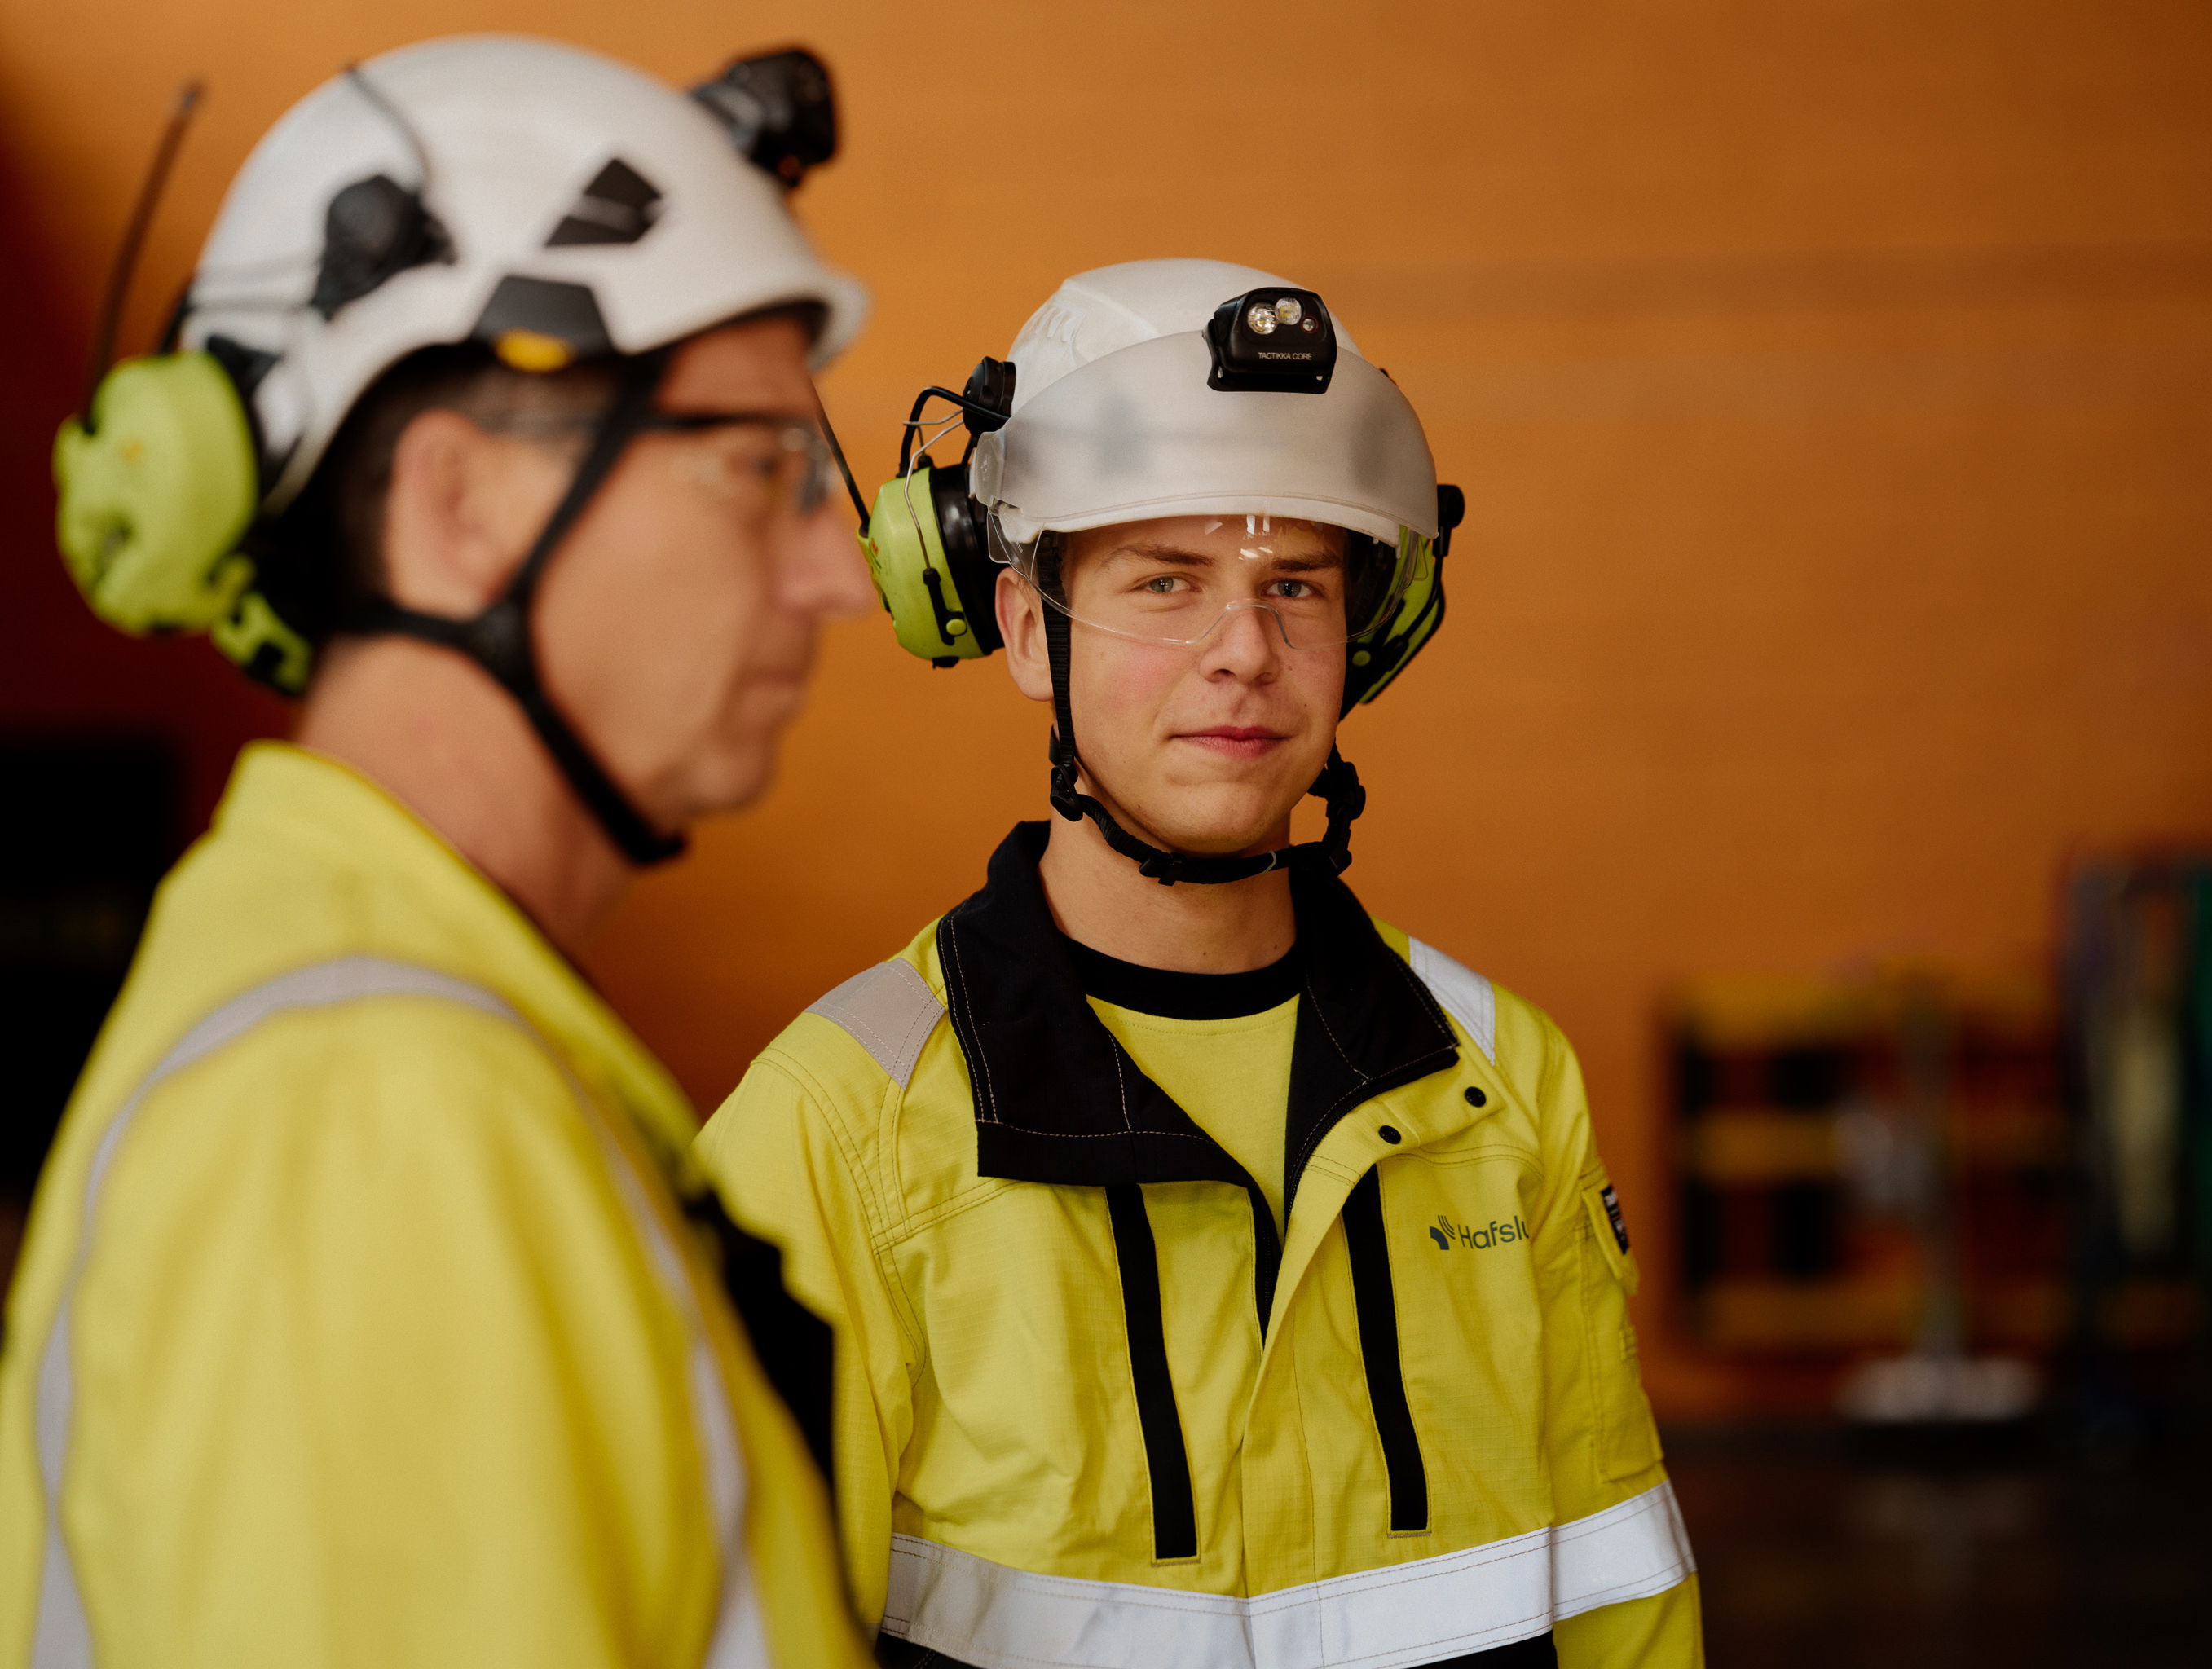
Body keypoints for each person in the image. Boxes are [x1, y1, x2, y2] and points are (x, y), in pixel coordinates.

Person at [2, 37, 877, 1669]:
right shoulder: (367, 1103)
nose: (838, 571)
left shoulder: (403, 1028)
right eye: (762, 468)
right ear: (459, 502)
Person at [697, 259, 1703, 1668]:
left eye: (1295, 584)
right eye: (1164, 583)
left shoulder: (1503, 1079)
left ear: (1371, 635)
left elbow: (1620, 1602)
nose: (1244, 652)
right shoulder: (836, 1127)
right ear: (1027, 628)